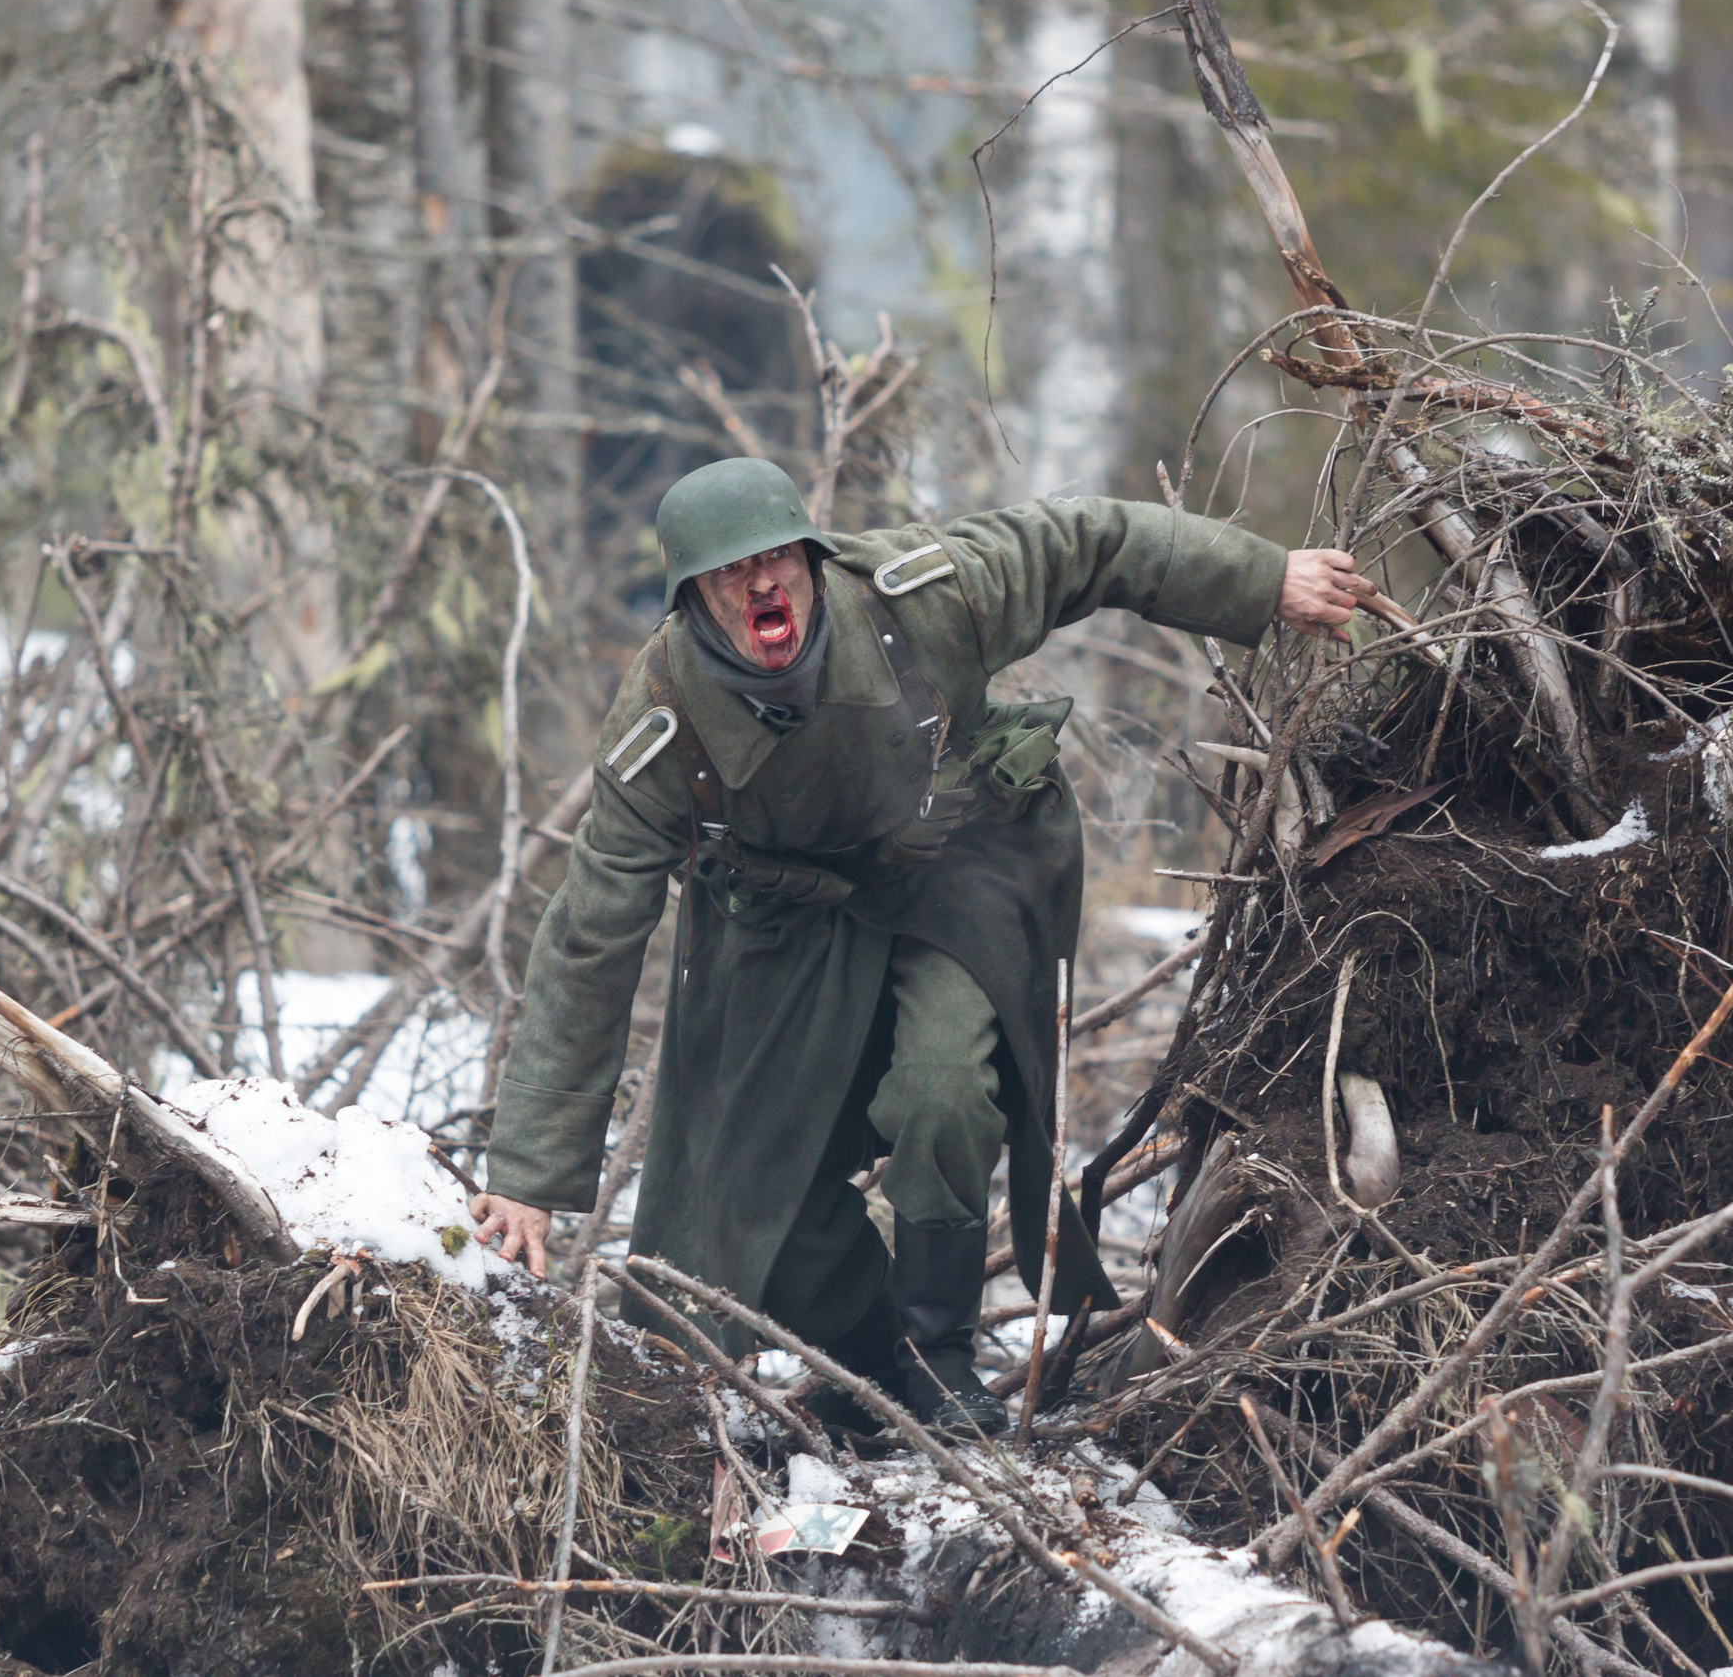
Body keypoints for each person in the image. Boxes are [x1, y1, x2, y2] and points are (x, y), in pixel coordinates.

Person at [469, 457, 1369, 1429]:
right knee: (765, 1219)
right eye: (733, 572)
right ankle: (879, 1369)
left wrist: (1260, 576)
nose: (763, 583)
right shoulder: (661, 722)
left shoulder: (923, 593)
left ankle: (942, 1366)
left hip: (958, 861)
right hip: (789, 923)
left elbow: (1088, 540)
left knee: (943, 1088)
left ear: (812, 558)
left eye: (779, 557)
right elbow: (590, 938)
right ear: (693, 597)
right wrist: (528, 1172)